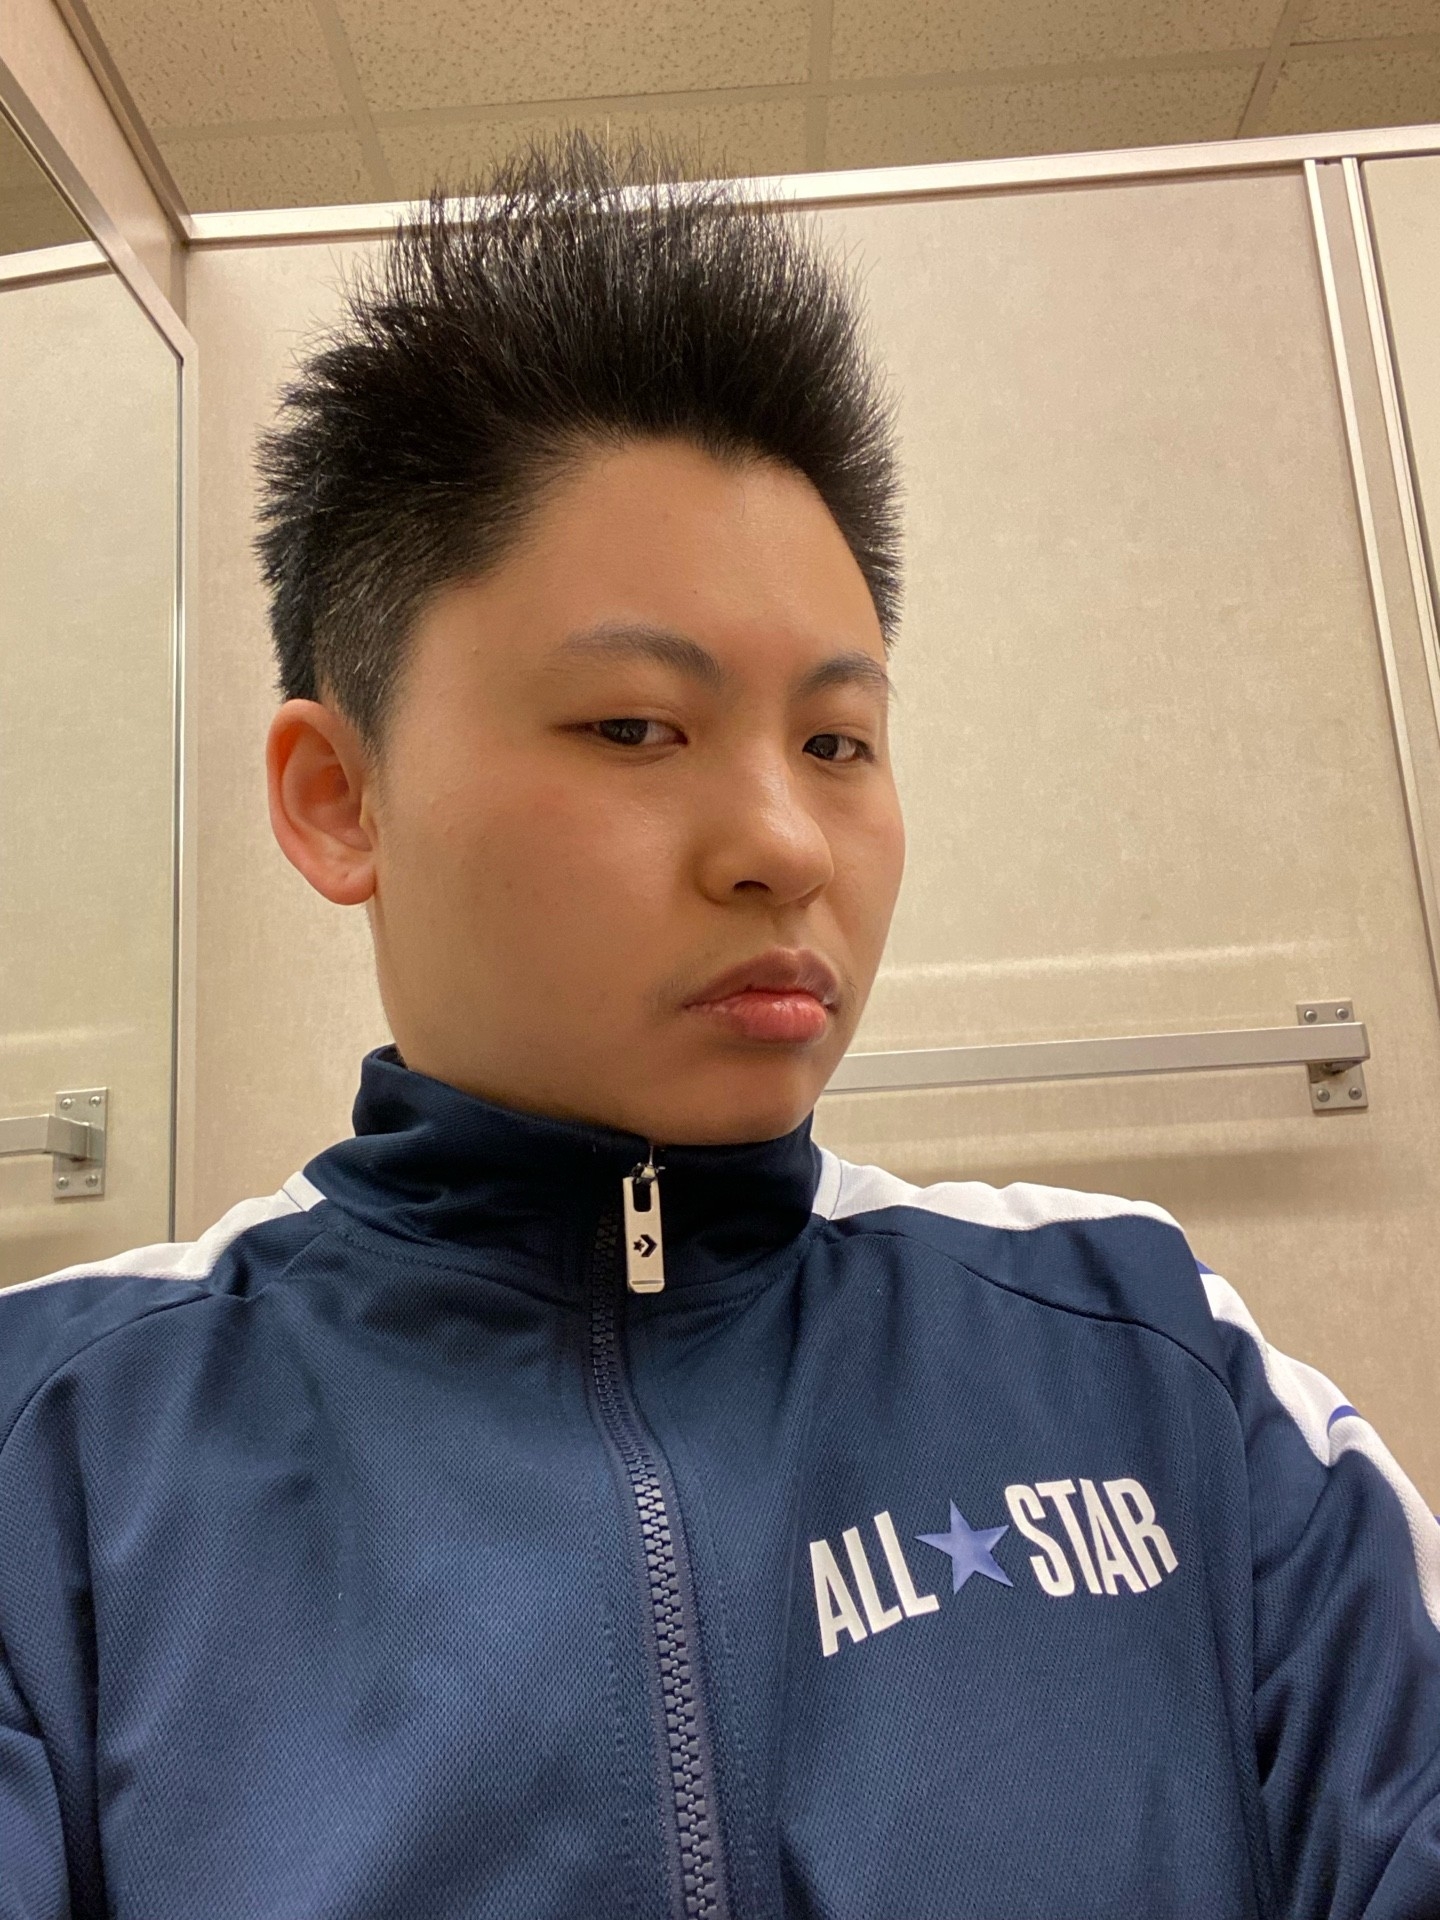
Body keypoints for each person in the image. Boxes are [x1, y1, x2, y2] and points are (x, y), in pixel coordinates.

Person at [1, 131, 1437, 1920]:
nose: (784, 843)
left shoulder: (1160, 1369)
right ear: (337, 797)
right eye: (636, 727)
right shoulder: (60, 1448)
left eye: (838, 742)